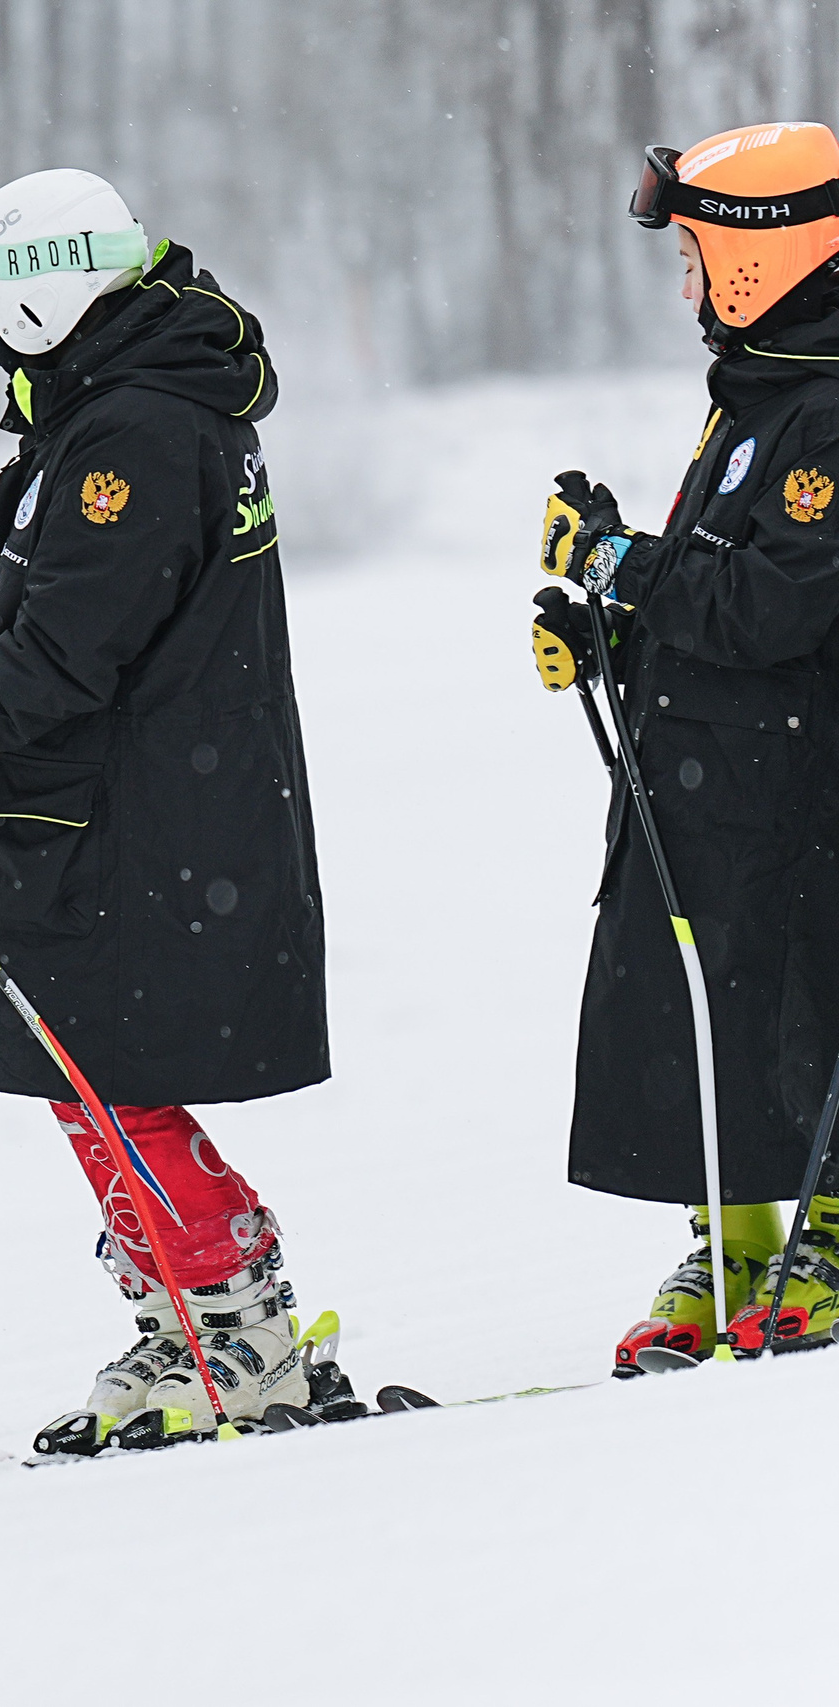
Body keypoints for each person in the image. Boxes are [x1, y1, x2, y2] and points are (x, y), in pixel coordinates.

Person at [0, 171, 337, 1453]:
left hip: (134, 820)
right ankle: (193, 1318)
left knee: (109, 1074)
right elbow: (83, 630)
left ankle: (234, 1332)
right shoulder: (119, 411)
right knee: (85, 1071)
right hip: (124, 808)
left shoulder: (135, 435)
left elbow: (68, 654)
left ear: (45, 297)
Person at [535, 121, 839, 1372]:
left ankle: (824, 1226)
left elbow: (774, 606)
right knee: (697, 1010)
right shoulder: (763, 398)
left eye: (697, 256)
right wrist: (610, 639)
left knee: (798, 1008)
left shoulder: (823, 412)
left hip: (801, 785)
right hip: (724, 774)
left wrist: (613, 561)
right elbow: (720, 599)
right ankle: (735, 1232)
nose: (687, 286)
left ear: (761, 260)